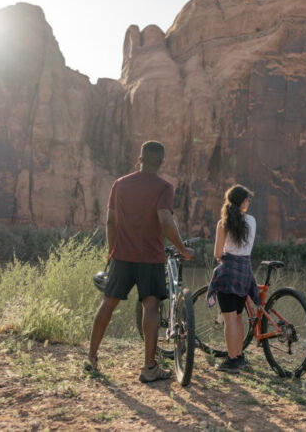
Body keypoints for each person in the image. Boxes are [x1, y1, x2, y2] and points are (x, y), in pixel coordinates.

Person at [86, 140, 194, 383]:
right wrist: (182, 249)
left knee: (108, 304)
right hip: (150, 257)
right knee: (151, 305)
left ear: (141, 158)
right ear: (162, 162)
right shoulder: (164, 187)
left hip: (122, 255)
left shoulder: (120, 184)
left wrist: (111, 250)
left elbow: (110, 222)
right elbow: (165, 220)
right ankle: (149, 368)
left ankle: (91, 357)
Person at [206, 184, 259, 373]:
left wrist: (224, 257)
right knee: (237, 318)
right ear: (243, 202)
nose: (249, 202)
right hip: (245, 272)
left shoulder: (223, 223)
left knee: (229, 320)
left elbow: (217, 253)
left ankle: (232, 359)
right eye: (248, 199)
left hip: (228, 272)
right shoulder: (252, 221)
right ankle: (239, 356)